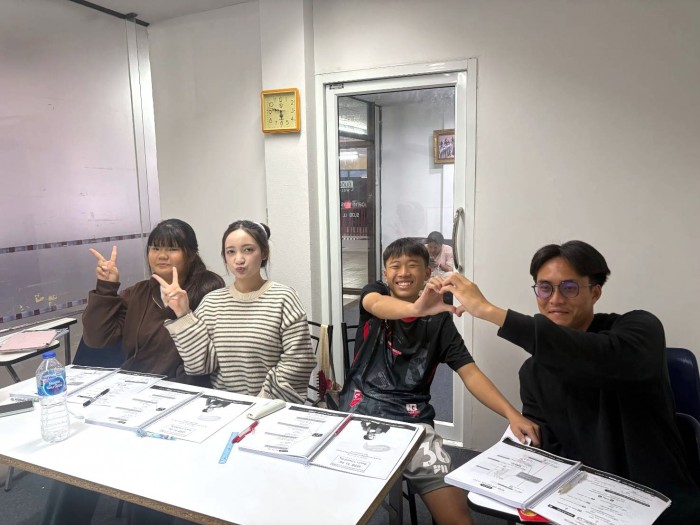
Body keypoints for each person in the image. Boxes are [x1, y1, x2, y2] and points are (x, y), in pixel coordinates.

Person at [439, 240, 700, 524]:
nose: (555, 299)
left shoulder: (640, 330)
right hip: (581, 499)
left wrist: (490, 312)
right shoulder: (533, 371)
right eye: (545, 288)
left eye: (569, 287)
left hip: (654, 497)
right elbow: (548, 448)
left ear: (595, 292)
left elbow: (598, 357)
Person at [340, 238, 540, 525]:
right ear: (385, 274)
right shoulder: (375, 294)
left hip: (413, 424)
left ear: (427, 272)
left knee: (457, 517)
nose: (403, 273)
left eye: (412, 265)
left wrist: (511, 413)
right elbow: (377, 305)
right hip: (358, 415)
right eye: (395, 266)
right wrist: (418, 308)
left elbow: (470, 372)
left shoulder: (439, 321)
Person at [41, 218, 224, 525]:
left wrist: (181, 309)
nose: (161, 255)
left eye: (172, 248)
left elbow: (206, 359)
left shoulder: (210, 291)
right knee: (76, 464)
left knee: (145, 476)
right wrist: (106, 288)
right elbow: (98, 338)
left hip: (181, 401)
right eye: (155, 247)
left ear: (191, 254)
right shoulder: (139, 293)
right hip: (131, 398)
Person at [156, 220, 316, 404]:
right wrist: (184, 314)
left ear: (264, 252)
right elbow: (200, 366)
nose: (239, 259)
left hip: (271, 408)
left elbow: (299, 361)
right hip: (224, 408)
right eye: (230, 252)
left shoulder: (284, 298)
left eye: (248, 250)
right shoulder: (212, 302)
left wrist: (262, 402)